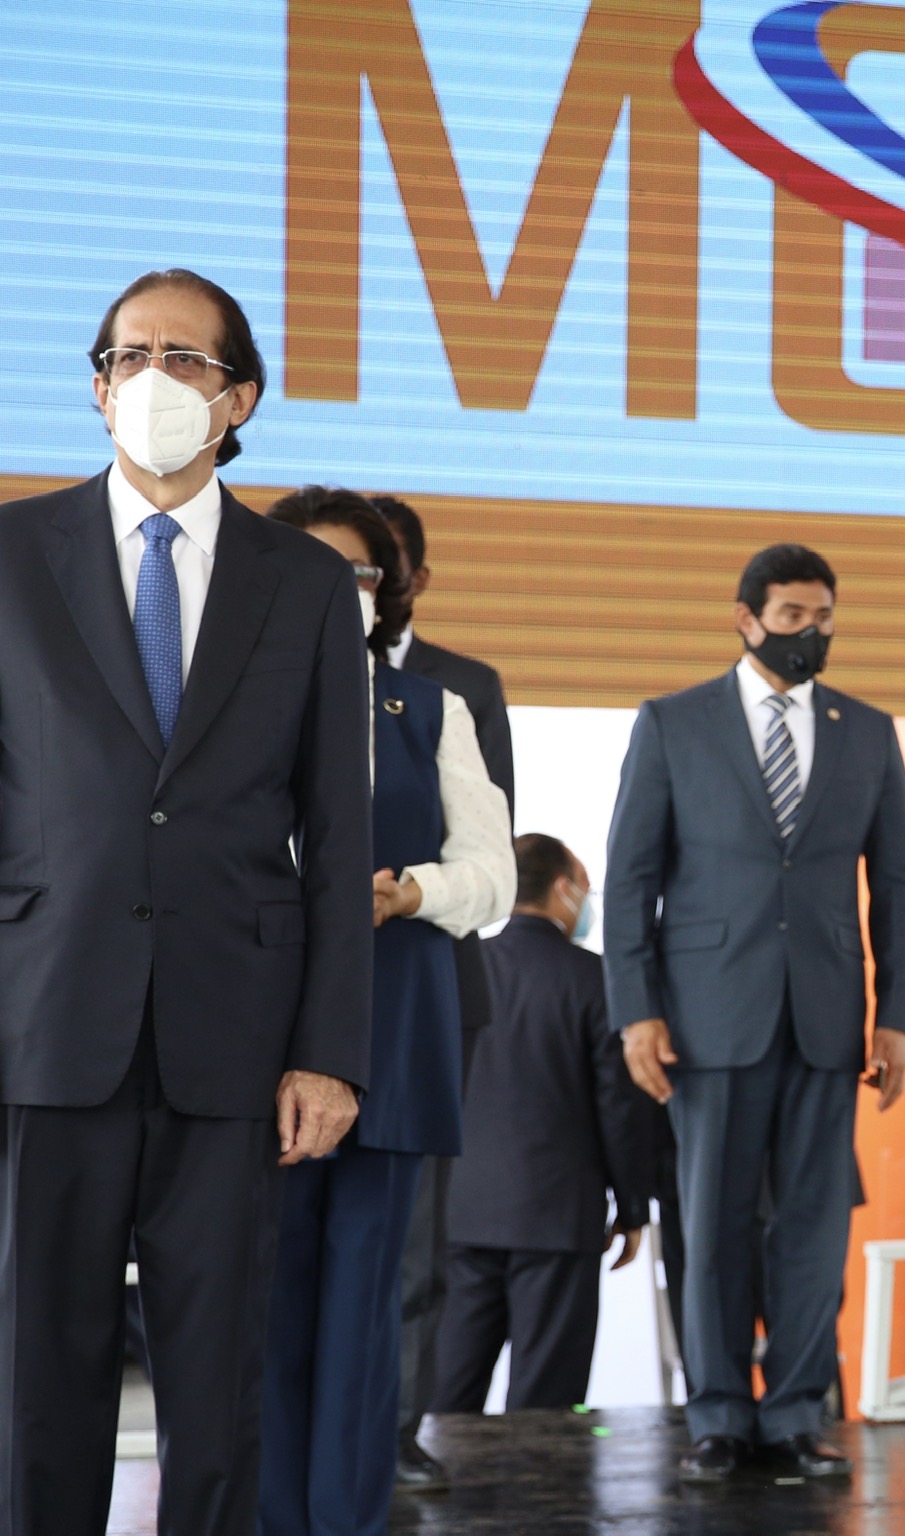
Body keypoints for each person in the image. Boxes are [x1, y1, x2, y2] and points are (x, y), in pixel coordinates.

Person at [0, 269, 371, 1536]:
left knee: (219, 1396)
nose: (153, 377)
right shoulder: (0, 555)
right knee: (36, 1390)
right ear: (99, 389)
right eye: (129, 355)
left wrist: (329, 1052)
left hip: (237, 1042)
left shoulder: (308, 586)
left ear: (240, 397)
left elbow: (339, 837)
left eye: (185, 358)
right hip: (38, 1036)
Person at [605, 543, 905, 1483]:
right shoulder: (673, 723)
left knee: (815, 1229)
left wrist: (895, 1016)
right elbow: (630, 878)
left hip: (827, 1019)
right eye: (792, 617)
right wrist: (635, 1011)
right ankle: (717, 1415)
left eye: (823, 618)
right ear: (746, 619)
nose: (810, 633)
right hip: (707, 1019)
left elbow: (897, 888)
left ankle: (794, 1414)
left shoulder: (867, 732)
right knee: (712, 1226)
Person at [258, 488, 513, 1536]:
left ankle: (345, 1519)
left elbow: (493, 877)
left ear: (387, 590)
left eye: (359, 573)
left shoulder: (432, 709)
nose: (340, 590)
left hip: (393, 1031)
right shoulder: (217, 701)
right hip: (246, 1041)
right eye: (313, 567)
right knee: (260, 1306)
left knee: (368, 1311)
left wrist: (411, 892)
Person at [369, 492, 516, 1490]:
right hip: (285, 985)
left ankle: (394, 1428)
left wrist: (408, 891)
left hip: (430, 980)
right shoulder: (257, 668)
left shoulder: (460, 688)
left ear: (412, 578)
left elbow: (488, 846)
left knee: (416, 1238)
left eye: (378, 568)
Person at [432, 834, 654, 1412]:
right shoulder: (595, 979)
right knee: (545, 1405)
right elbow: (619, 1107)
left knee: (447, 1394)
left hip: (462, 1212)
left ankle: (432, 1472)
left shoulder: (459, 970)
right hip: (557, 1218)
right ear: (563, 889)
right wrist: (632, 1207)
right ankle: (530, 1481)